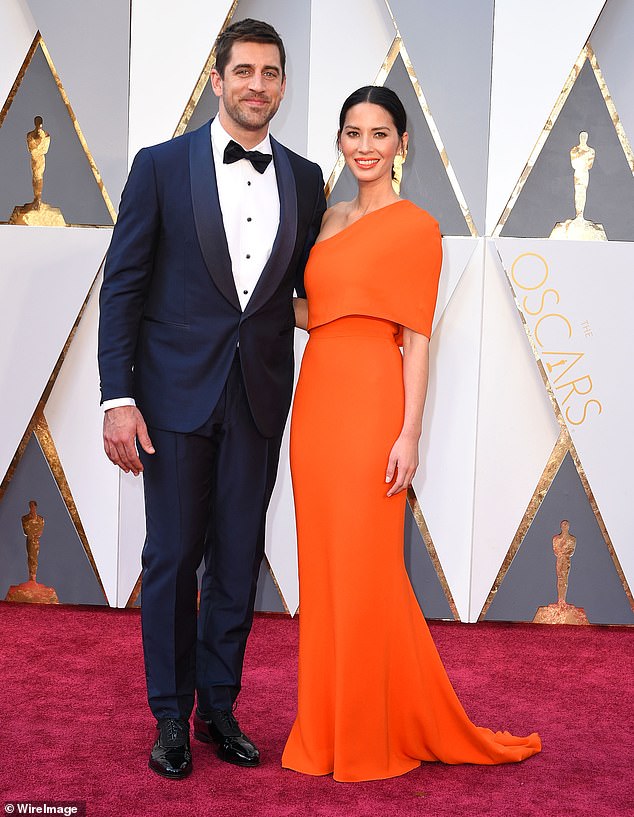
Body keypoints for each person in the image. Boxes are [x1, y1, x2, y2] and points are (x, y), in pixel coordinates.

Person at [282, 86, 541, 782]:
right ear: (340, 140)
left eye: (380, 133)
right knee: (328, 568)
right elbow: (317, 313)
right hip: (316, 404)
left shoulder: (417, 227)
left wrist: (409, 434)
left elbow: (418, 340)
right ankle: (329, 724)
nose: (364, 146)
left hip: (373, 403)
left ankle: (370, 732)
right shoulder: (329, 216)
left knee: (367, 569)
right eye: (353, 132)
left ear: (401, 143)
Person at [98, 18, 326, 780]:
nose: (257, 85)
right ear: (217, 78)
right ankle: (169, 713)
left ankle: (217, 707)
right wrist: (115, 397)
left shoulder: (304, 177)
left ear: (283, 86)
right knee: (171, 555)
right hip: (169, 397)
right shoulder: (160, 166)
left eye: (270, 73)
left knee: (236, 559)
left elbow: (302, 292)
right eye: (244, 71)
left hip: (259, 396)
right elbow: (123, 285)